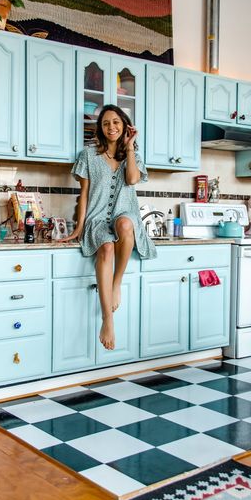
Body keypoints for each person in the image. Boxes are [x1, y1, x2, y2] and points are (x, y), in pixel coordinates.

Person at [61, 104, 156, 350]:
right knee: (105, 248)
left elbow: (132, 179)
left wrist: (131, 146)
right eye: (105, 123)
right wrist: (78, 227)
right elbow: (83, 195)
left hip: (124, 213)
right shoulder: (88, 156)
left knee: (125, 224)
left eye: (116, 122)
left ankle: (116, 283)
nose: (111, 127)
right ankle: (107, 319)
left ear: (124, 125)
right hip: (96, 218)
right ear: (100, 129)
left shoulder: (133, 155)